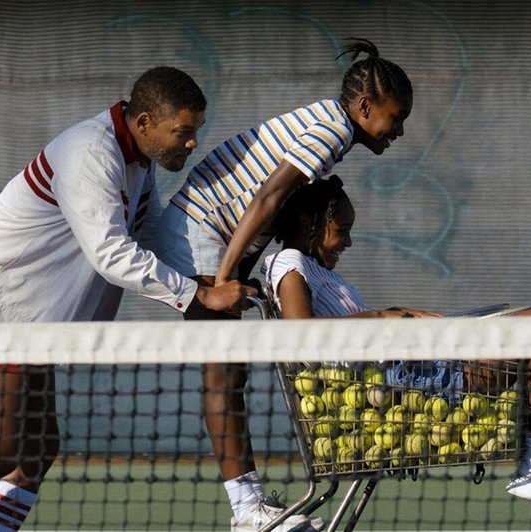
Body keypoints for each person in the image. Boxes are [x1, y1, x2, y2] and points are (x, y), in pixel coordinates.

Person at [0, 66, 255, 530]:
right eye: (184, 132)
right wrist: (197, 295)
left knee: (35, 450)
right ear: (146, 123)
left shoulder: (138, 163)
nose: (192, 143)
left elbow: (149, 234)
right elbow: (111, 254)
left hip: (25, 320)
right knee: (1, 445)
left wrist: (205, 283)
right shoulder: (90, 150)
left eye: (195, 132)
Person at [261, 175, 531, 532]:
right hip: (410, 381)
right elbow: (303, 337)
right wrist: (385, 316)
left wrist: (401, 311)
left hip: (415, 365)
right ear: (309, 223)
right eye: (342, 230)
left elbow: (349, 323)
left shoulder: (316, 268)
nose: (349, 242)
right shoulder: (288, 264)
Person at [155, 39, 413, 532]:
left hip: (219, 238)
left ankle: (249, 506)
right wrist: (226, 278)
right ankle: (247, 511)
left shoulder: (330, 129)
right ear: (364, 107)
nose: (398, 131)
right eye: (395, 117)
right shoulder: (332, 131)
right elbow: (268, 198)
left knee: (230, 375)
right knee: (224, 374)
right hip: (201, 234)